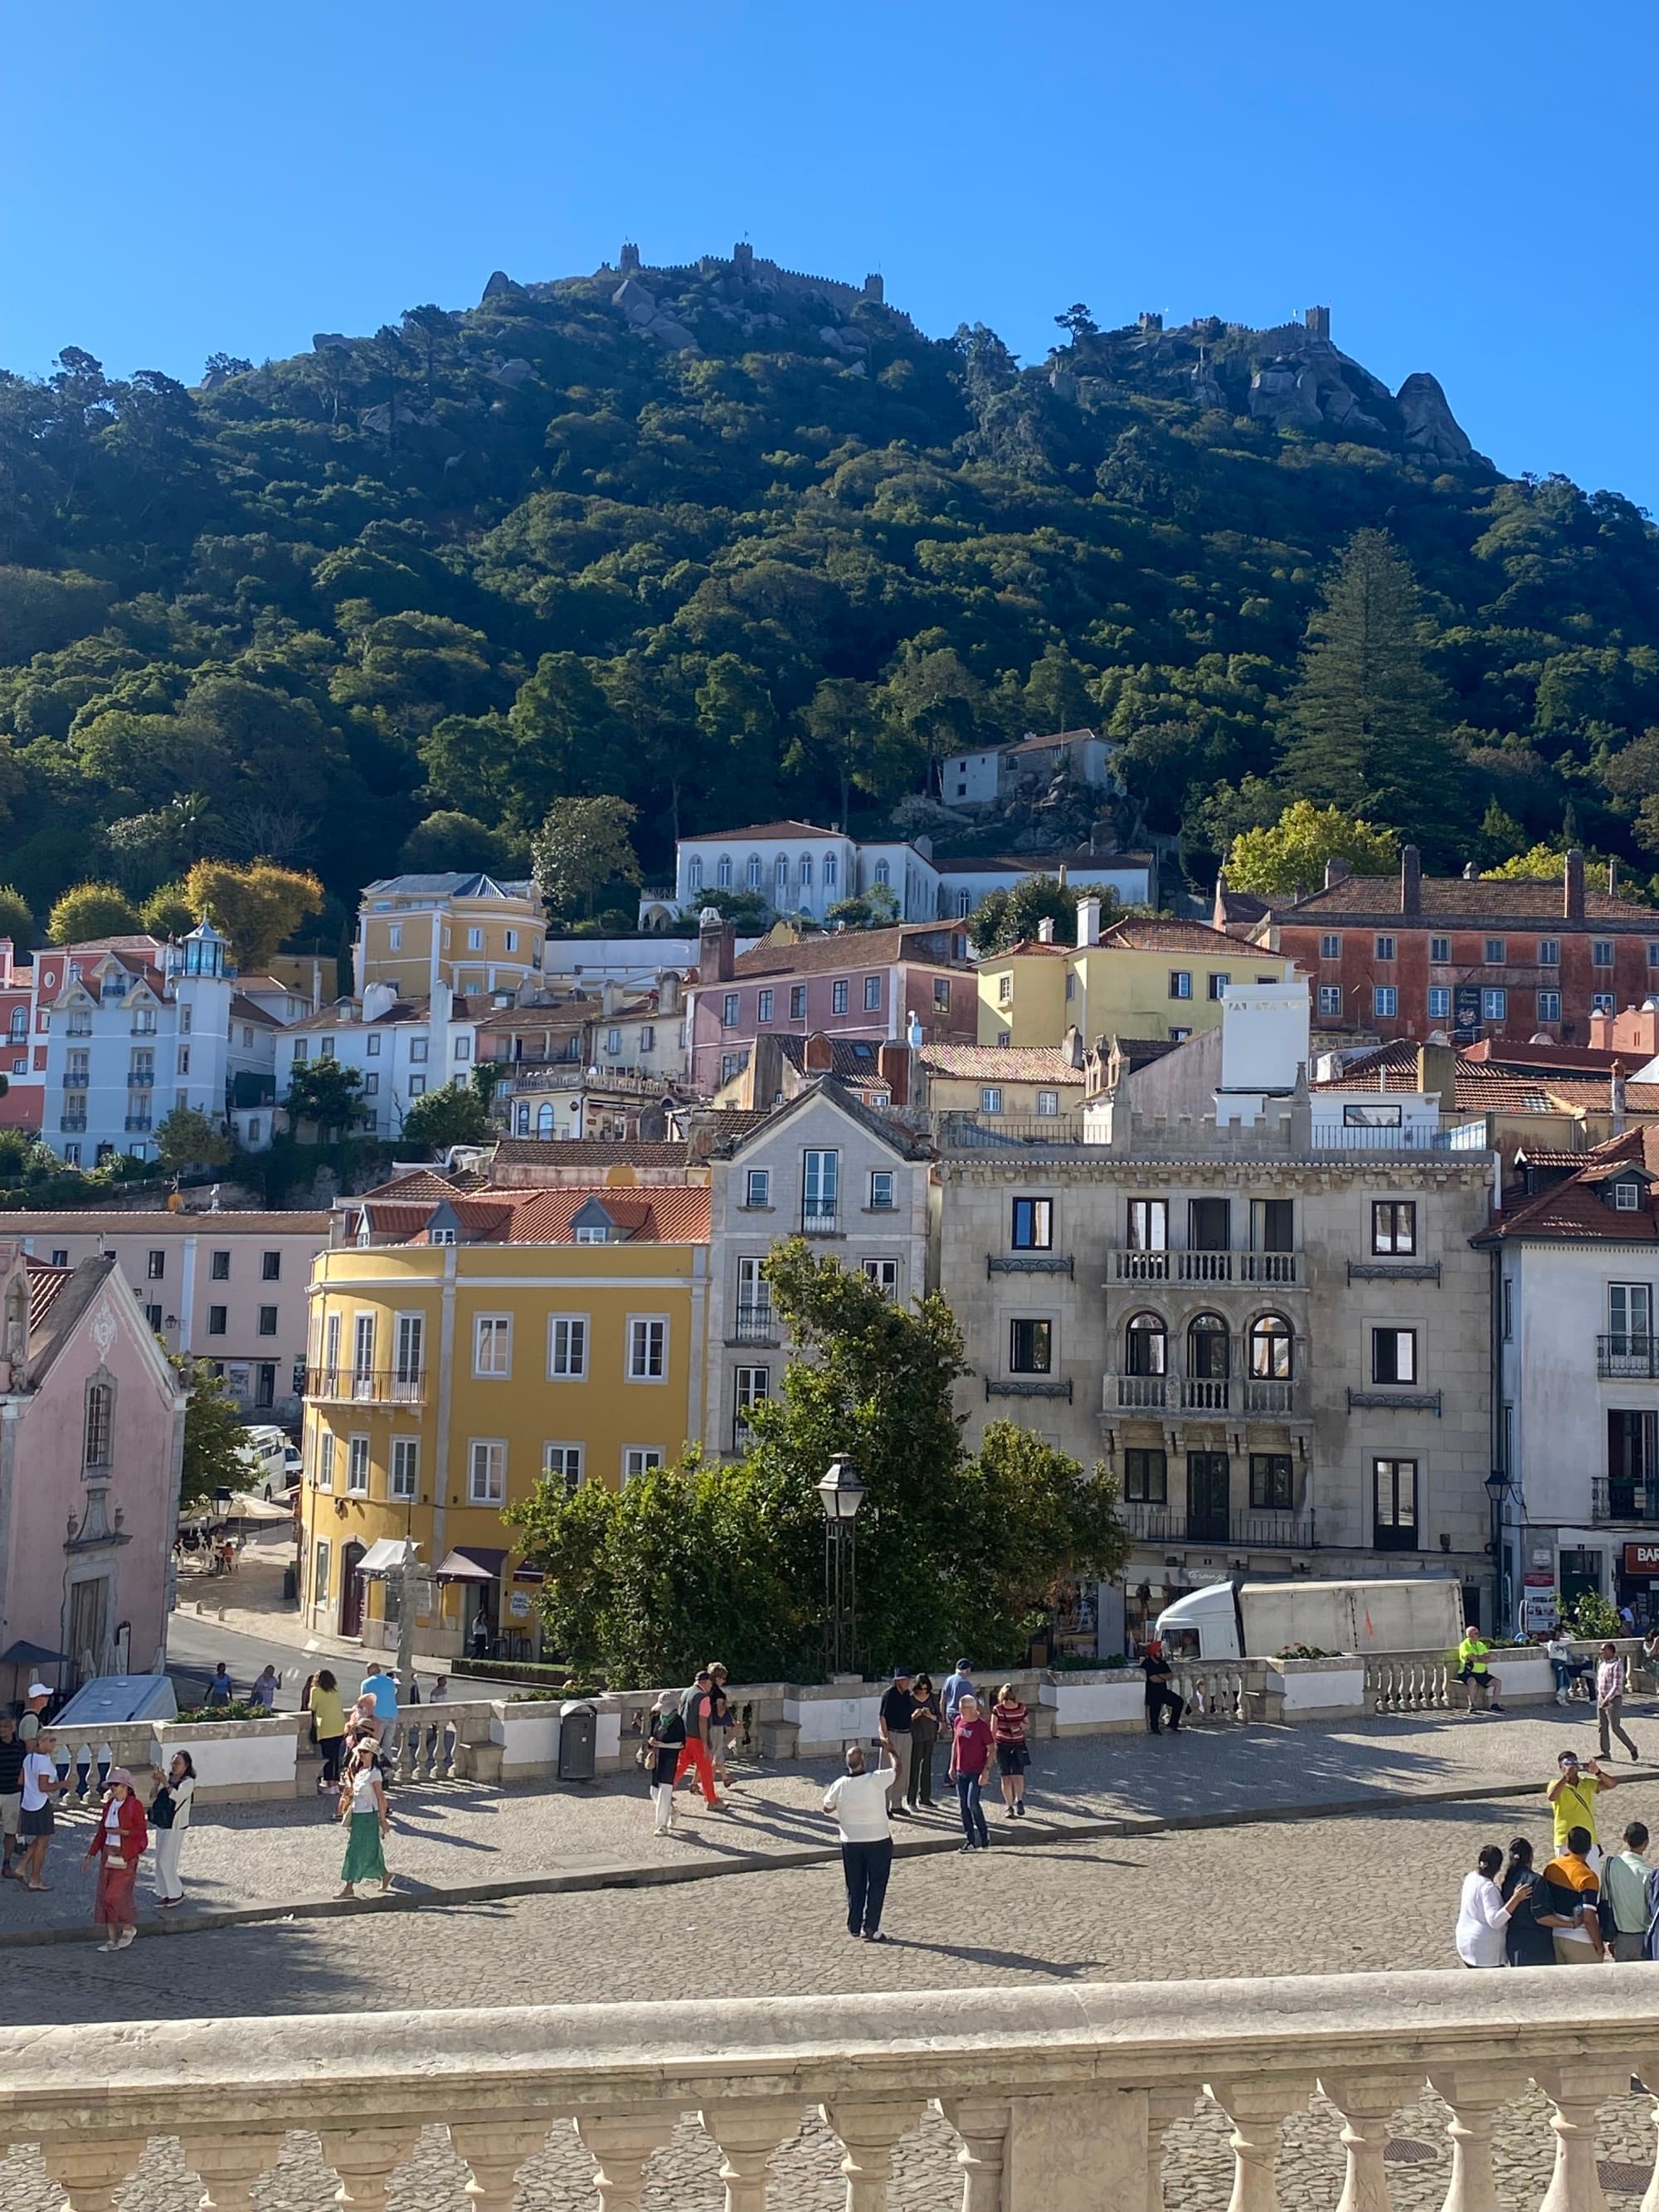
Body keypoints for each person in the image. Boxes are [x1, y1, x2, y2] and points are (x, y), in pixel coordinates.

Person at [824, 1743, 898, 1942]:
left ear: (847, 1764)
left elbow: (827, 1807)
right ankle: (871, 1926)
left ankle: (855, 1925)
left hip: (851, 1841)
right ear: (863, 1762)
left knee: (855, 1884)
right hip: (878, 1839)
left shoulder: (840, 1784)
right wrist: (891, 1750)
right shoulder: (875, 1780)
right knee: (877, 1884)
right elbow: (896, 1770)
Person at [84, 1768, 148, 1952]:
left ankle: (128, 1927)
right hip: (108, 1854)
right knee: (105, 1896)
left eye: (116, 1785)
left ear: (126, 1787)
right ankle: (112, 1939)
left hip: (125, 1854)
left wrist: (123, 1832)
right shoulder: (109, 1805)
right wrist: (91, 1853)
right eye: (111, 1785)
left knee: (115, 1895)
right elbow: (102, 1832)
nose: (113, 1788)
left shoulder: (134, 1805)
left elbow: (141, 1830)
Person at [1538, 1826, 1605, 1963]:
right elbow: (1588, 1918)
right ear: (1589, 1848)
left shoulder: (1552, 1867)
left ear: (1568, 1845)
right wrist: (1599, 1945)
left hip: (1557, 1936)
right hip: (1581, 1940)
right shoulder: (1588, 1877)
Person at [336, 1743, 392, 1896]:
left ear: (372, 1754)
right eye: (360, 1751)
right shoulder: (360, 1772)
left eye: (365, 1752)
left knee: (354, 1849)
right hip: (358, 1814)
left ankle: (349, 1886)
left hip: (368, 1816)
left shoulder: (374, 1774)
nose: (361, 1754)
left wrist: (383, 1819)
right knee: (371, 1848)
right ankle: (384, 1874)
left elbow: (380, 1798)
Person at [1547, 1748, 1621, 1859]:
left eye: (1574, 1762)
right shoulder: (1555, 1784)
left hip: (1589, 1839)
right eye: (1567, 1764)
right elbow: (1552, 1796)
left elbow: (1612, 1784)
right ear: (1561, 1768)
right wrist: (1566, 1777)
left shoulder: (1587, 1783)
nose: (1571, 1766)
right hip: (1565, 1841)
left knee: (1590, 1875)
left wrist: (1598, 1772)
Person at [17, 1728, 66, 1891]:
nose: (53, 1743)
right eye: (50, 1740)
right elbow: (43, 1786)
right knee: (42, 1843)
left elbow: (22, 1780)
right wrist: (61, 1785)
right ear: (41, 1741)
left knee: (39, 1838)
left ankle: (22, 1866)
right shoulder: (44, 1762)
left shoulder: (28, 1758)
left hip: (28, 1802)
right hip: (41, 1804)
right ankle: (35, 1878)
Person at [148, 1751, 197, 1908]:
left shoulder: (188, 1782)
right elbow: (152, 1796)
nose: (174, 1766)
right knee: (160, 1860)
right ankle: (166, 1893)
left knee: (167, 1860)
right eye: (173, 1763)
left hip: (175, 1825)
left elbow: (177, 1796)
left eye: (178, 1763)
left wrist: (165, 1783)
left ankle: (176, 1893)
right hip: (163, 1822)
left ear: (186, 1765)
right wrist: (156, 1783)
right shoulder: (169, 1778)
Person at [1500, 1838, 1556, 1968]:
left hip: (1514, 1943)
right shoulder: (1536, 1881)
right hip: (1536, 1945)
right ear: (1530, 1856)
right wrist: (1569, 1924)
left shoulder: (1508, 1881)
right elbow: (1541, 1917)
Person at [1454, 1845, 1513, 1966]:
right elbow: (1495, 1921)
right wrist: (1516, 1899)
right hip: (1484, 1951)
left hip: (1465, 1942)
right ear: (1498, 1868)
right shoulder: (1488, 1888)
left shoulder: (1471, 1877)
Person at [1603, 1820, 1653, 1961]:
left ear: (1624, 1838)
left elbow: (1605, 1900)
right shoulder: (1648, 1874)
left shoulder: (1610, 1866)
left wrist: (1609, 1939)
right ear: (1646, 1843)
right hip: (1643, 1939)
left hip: (1620, 1938)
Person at [948, 1691, 993, 1852]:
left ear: (971, 1709)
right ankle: (970, 1840)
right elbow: (955, 1743)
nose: (959, 1711)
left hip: (976, 1770)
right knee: (963, 1806)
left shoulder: (982, 1726)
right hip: (961, 1770)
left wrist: (986, 1771)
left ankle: (984, 1833)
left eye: (962, 1709)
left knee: (972, 1803)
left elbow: (991, 1749)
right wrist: (952, 1765)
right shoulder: (958, 1721)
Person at [672, 1669, 722, 1809]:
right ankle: (712, 1801)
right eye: (711, 1683)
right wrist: (705, 1743)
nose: (711, 1686)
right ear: (705, 1683)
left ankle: (665, 1791)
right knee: (706, 1770)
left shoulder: (686, 1692)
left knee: (680, 1766)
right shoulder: (703, 1697)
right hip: (697, 1739)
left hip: (685, 1735)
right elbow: (702, 1721)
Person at [645, 1690, 687, 1835]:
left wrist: (661, 1745)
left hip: (669, 1759)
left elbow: (681, 1744)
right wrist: (651, 1742)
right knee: (654, 1791)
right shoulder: (656, 1718)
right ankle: (672, 1812)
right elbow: (651, 1735)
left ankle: (662, 1825)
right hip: (657, 1758)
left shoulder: (678, 1721)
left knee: (665, 1791)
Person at [990, 1683, 1030, 1818]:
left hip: (1018, 1744)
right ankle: (1009, 1806)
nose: (1008, 1702)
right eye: (1006, 1699)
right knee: (1005, 1777)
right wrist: (991, 1746)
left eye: (1010, 1699)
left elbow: (1028, 1725)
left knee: (1018, 1775)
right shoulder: (997, 1709)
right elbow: (993, 1729)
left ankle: (1019, 1800)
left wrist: (1020, 1726)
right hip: (1002, 1745)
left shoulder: (1022, 1708)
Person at [878, 1670, 914, 1818]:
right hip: (893, 1734)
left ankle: (897, 1804)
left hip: (906, 1733)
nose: (909, 1683)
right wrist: (886, 1737)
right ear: (899, 1681)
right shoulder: (889, 1694)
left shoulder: (906, 1695)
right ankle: (883, 1806)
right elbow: (882, 1717)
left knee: (903, 1770)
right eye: (907, 1680)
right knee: (888, 1770)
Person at [1596, 1643, 1639, 1762]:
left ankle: (1632, 1748)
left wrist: (1608, 1699)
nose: (1602, 1653)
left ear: (1611, 1651)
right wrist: (1600, 1697)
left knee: (1615, 1727)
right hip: (1602, 1697)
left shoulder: (1617, 1665)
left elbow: (1617, 1686)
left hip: (1613, 1699)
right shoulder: (1602, 1664)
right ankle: (1605, 1752)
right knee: (1602, 1726)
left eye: (1604, 1651)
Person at [906, 1672, 941, 1811]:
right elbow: (905, 1719)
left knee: (927, 1767)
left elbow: (938, 1716)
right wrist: (914, 1716)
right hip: (916, 1737)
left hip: (930, 1735)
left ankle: (925, 1798)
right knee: (914, 1768)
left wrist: (930, 1715)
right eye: (920, 1689)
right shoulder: (910, 1699)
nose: (923, 1691)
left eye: (925, 1689)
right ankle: (911, 1799)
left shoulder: (932, 1698)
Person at [309, 1669, 346, 1791]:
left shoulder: (316, 1690)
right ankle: (335, 1783)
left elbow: (312, 1706)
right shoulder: (335, 1691)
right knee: (336, 1756)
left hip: (326, 1726)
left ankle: (329, 1784)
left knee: (327, 1757)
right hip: (339, 1725)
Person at [1141, 1641, 1185, 1735]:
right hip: (1151, 1692)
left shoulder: (1162, 1663)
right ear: (1153, 1652)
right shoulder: (1147, 1663)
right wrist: (1163, 1677)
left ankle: (1173, 1725)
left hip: (1162, 1691)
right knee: (1155, 1704)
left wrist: (1161, 1676)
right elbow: (1154, 1679)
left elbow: (1170, 1675)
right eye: (1159, 1651)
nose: (1161, 1653)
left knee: (1179, 1701)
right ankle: (1154, 1728)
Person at [1457, 1626, 1503, 1714]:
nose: (1478, 1635)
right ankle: (1471, 1705)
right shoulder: (1464, 1645)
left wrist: (1477, 1658)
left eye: (1478, 1633)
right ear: (1470, 1635)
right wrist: (1481, 1658)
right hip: (1467, 1672)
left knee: (1498, 1682)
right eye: (1476, 1633)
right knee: (1472, 1681)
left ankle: (1495, 1705)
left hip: (1482, 1673)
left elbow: (1488, 1658)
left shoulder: (1480, 1644)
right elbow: (1470, 1657)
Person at [0, 1714, 23, 1880]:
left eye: (6, 1726)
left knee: (10, 1831)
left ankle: (7, 1864)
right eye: (1, 1726)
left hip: (13, 1793)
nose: (3, 1730)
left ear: (13, 1728)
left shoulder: (20, 1746)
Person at [706, 1662, 732, 1789]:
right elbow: (720, 1713)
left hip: (704, 1724)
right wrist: (725, 1704)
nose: (724, 1681)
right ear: (717, 1678)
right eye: (723, 1678)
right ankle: (707, 1786)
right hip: (716, 1726)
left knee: (713, 1753)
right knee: (714, 1753)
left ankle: (725, 1777)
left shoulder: (705, 1690)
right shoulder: (719, 1694)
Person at [1545, 1632, 1591, 1705]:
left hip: (1561, 1663)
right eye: (1557, 1634)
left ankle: (1560, 1697)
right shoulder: (1552, 1644)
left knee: (1566, 1682)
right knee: (1560, 1681)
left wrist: (1564, 1633)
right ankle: (1560, 1698)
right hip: (1558, 1662)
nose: (1559, 1636)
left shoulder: (1560, 1642)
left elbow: (1572, 1639)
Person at [360, 1665, 399, 1733]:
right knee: (387, 1743)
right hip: (392, 1715)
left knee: (375, 1742)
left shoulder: (366, 1683)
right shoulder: (390, 1681)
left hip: (377, 1716)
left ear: (368, 1672)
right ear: (379, 1671)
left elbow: (364, 1702)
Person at [941, 1660, 975, 1728]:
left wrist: (943, 1718)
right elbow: (973, 1701)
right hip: (960, 1714)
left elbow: (942, 1700)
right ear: (967, 1670)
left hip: (950, 1713)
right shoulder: (966, 1683)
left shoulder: (949, 1680)